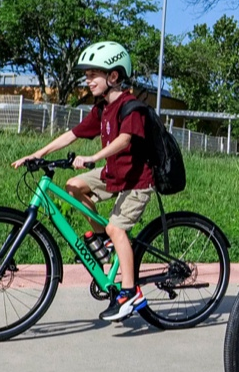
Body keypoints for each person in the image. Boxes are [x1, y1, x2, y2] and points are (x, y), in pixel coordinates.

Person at [11, 41, 157, 323]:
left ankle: (130, 293)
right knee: (74, 186)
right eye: (87, 75)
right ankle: (105, 239)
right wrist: (37, 153)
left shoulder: (131, 108)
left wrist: (93, 157)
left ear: (113, 76)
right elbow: (73, 134)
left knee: (118, 228)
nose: (87, 80)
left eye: (93, 74)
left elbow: (124, 140)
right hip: (113, 173)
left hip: (137, 181)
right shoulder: (102, 109)